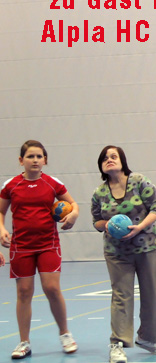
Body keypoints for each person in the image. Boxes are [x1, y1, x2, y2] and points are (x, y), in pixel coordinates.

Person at [0, 140, 79, 359]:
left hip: (48, 245)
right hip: (21, 247)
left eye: (39, 156)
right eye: (30, 156)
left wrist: (73, 215)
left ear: (45, 160)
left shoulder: (53, 183)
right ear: (21, 160)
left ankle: (65, 334)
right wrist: (2, 229)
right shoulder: (10, 185)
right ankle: (24, 342)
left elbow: (73, 204)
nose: (35, 160)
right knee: (24, 292)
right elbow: (1, 211)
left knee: (51, 288)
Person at [90, 145, 156, 363]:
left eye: (113, 156)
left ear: (122, 161)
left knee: (152, 294)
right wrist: (106, 224)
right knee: (121, 296)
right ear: (101, 166)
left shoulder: (139, 181)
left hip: (148, 247)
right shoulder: (99, 193)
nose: (109, 160)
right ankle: (117, 343)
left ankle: (149, 339)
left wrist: (140, 227)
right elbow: (96, 221)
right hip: (117, 252)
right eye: (105, 158)